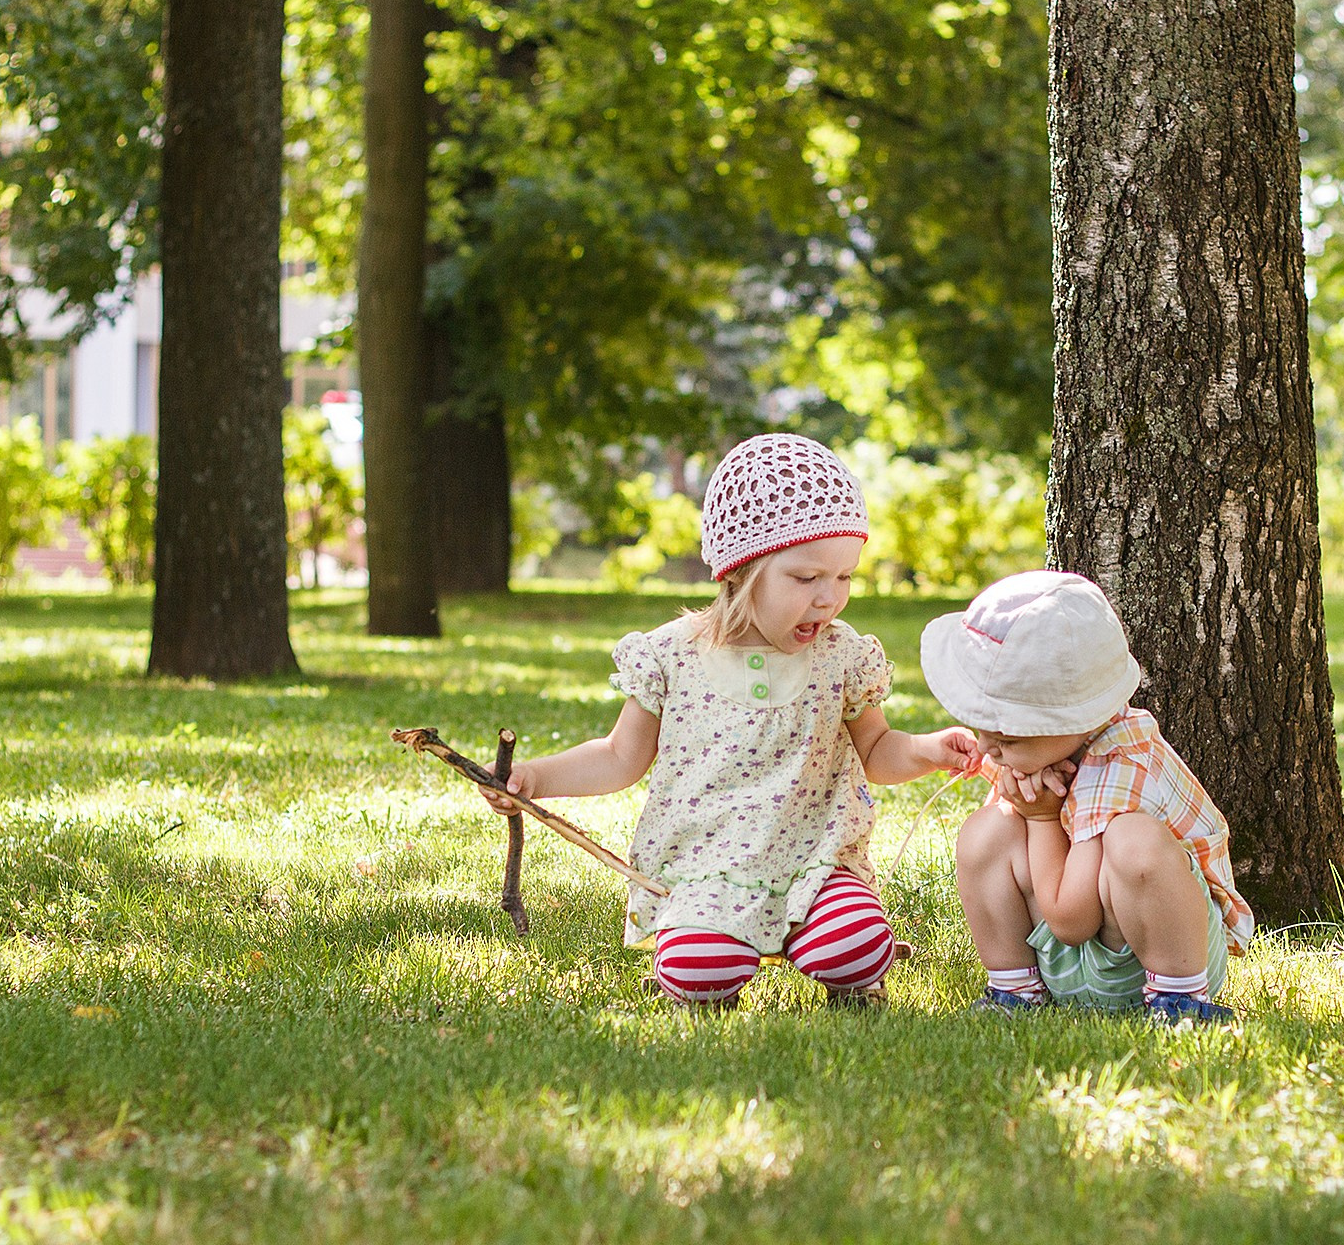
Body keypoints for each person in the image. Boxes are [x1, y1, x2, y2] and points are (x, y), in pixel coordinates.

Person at [485, 434, 977, 1008]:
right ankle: (707, 950)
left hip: (813, 860)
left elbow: (879, 750)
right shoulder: (673, 657)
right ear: (741, 570)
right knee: (702, 974)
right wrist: (535, 780)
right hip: (708, 869)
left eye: (844, 577)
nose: (829, 599)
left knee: (857, 950)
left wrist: (928, 749)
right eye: (806, 578)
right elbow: (620, 756)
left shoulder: (841, 657)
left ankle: (827, 946)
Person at [920, 571, 1253, 1025]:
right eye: (983, 729)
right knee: (986, 830)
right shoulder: (1043, 747)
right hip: (1066, 964)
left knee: (1133, 840)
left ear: (1068, 720)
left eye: (1006, 737)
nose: (986, 749)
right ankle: (1014, 989)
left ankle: (1181, 1004)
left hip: (1149, 957)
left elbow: (1071, 921)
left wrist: (1040, 819)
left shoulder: (1119, 764)